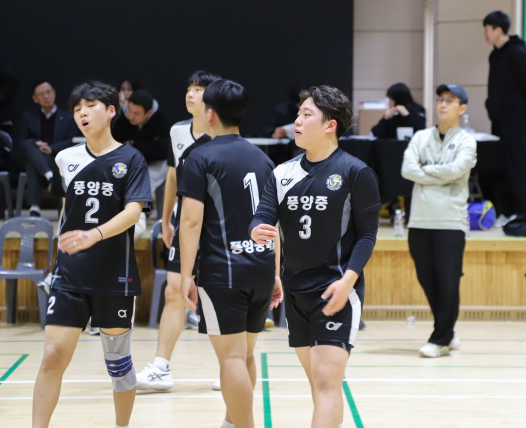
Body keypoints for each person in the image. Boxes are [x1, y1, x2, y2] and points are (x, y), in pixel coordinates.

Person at [251, 85, 381, 428]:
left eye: (307, 115)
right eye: (298, 114)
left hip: (336, 290)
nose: (297, 121)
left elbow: (367, 235)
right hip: (295, 292)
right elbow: (263, 216)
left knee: (325, 380)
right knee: (320, 384)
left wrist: (348, 281)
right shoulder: (282, 173)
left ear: (330, 125)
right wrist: (255, 230)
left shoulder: (355, 172)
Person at [32, 81, 152, 428]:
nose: (82, 113)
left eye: (90, 106)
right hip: (70, 275)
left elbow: (134, 212)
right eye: (77, 109)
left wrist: (93, 235)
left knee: (118, 364)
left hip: (115, 275)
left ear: (111, 111)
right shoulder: (66, 158)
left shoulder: (131, 159)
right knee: (52, 355)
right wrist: (64, 251)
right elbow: (67, 210)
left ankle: (121, 425)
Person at [179, 79, 281, 428]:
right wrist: (276, 273)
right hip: (261, 269)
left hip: (223, 273)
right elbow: (273, 224)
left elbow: (190, 222)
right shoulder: (263, 159)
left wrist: (185, 275)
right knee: (245, 355)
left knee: (232, 359)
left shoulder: (200, 156)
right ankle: (232, 421)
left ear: (209, 114)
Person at [136, 70, 221, 392]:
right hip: (184, 223)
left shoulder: (223, 134)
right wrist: (166, 218)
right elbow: (172, 176)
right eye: (189, 89)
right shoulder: (177, 131)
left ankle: (228, 367)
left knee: (216, 296)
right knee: (174, 291)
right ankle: (161, 368)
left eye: (198, 90)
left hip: (216, 226)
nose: (190, 94)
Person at [401, 84, 476, 358]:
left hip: (450, 221)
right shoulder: (421, 137)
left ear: (462, 108)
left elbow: (457, 170)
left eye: (450, 101)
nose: (443, 104)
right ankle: (448, 331)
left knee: (448, 281)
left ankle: (440, 339)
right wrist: (440, 174)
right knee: (427, 280)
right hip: (420, 220)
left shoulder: (467, 141)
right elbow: (407, 170)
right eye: (440, 100)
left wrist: (426, 170)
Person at [483, 10, 526, 219]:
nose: (485, 34)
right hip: (499, 119)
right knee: (503, 164)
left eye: (487, 29)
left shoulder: (516, 52)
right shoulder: (494, 55)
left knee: (519, 164)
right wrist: (491, 107)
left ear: (498, 30)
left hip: (517, 119)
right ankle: (506, 210)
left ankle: (524, 211)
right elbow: (494, 88)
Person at [17, 80, 80, 216]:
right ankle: (50, 177)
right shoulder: (28, 117)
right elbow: (21, 142)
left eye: (48, 92)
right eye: (41, 94)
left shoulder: (68, 118)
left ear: (54, 93)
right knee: (29, 145)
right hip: (35, 155)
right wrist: (37, 144)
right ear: (35, 98)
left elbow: (71, 141)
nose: (46, 96)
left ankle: (34, 208)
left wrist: (52, 148)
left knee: (32, 165)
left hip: (56, 159)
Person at [111, 88, 170, 197]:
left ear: (148, 113)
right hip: (128, 162)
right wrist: (148, 144)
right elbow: (114, 142)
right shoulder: (121, 117)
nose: (131, 116)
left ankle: (141, 206)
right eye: (129, 110)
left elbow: (163, 149)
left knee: (144, 184)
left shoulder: (161, 119)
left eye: (136, 113)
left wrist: (133, 144)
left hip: (156, 163)